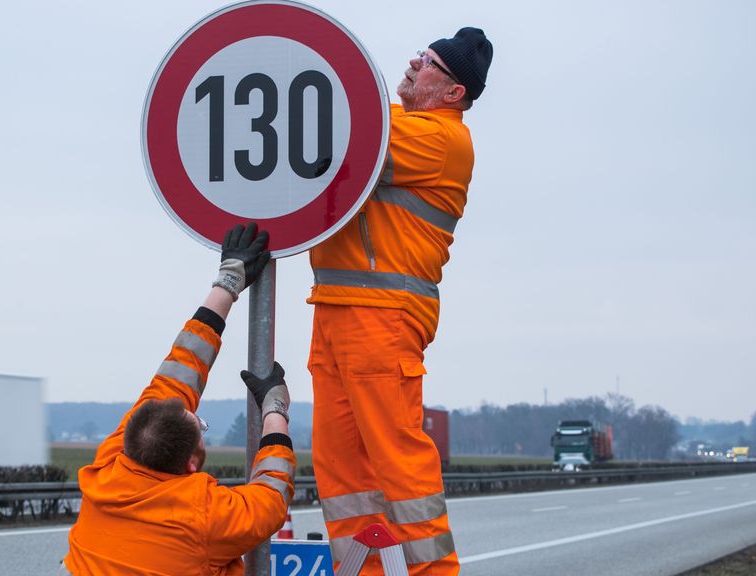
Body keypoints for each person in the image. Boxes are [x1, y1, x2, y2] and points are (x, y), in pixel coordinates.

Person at [306, 28, 493, 575]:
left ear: (453, 92)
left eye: (430, 61)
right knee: (343, 477)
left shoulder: (442, 140)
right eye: (420, 53)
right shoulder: (404, 122)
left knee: (399, 467)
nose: (414, 62)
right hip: (337, 310)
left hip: (383, 320)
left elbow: (347, 144)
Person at [63, 223, 295, 576]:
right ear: (191, 464)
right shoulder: (205, 516)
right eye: (200, 427)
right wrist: (274, 407)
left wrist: (229, 281)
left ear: (130, 435)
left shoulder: (107, 470)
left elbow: (177, 373)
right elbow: (271, 495)